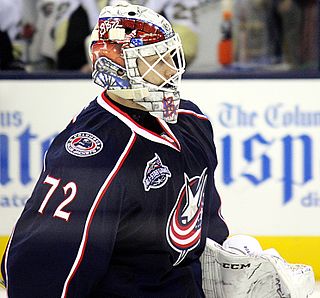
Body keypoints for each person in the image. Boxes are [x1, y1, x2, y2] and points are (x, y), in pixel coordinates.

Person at [1, 2, 229, 297]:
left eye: (171, 57)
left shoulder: (191, 121)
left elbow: (206, 219)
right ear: (118, 68)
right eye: (156, 60)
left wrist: (227, 261)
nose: (171, 69)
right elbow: (40, 265)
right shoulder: (94, 153)